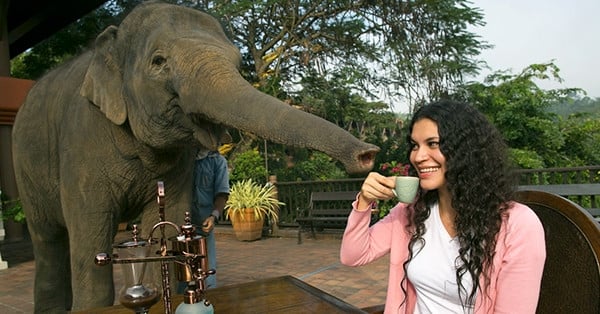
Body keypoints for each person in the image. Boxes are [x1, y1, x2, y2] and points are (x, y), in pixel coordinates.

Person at [340, 100, 546, 313]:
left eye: (433, 144)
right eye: (415, 145)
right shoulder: (412, 211)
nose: (418, 157)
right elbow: (353, 255)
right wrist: (364, 201)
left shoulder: (517, 225)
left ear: (465, 150)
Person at [190, 147, 230, 289]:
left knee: (207, 275)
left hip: (203, 225)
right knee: (182, 277)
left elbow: (222, 193)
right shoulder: (183, 159)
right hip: (180, 227)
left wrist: (214, 216)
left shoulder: (218, 161)